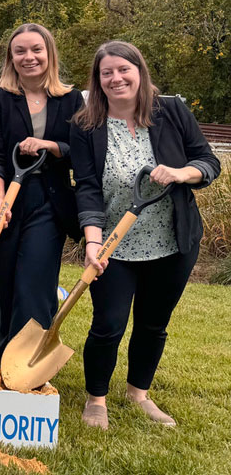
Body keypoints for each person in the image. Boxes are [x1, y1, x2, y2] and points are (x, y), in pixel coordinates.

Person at [70, 41, 219, 429]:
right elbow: (86, 186)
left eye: (124, 69)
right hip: (114, 245)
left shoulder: (170, 110)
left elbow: (207, 161)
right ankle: (96, 400)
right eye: (107, 73)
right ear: (98, 80)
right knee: (108, 324)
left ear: (139, 71)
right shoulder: (86, 125)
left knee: (153, 323)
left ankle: (139, 394)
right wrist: (91, 241)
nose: (116, 78)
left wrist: (181, 172)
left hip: (172, 241)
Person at [0, 22, 83, 368]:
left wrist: (49, 145)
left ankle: (19, 368)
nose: (29, 57)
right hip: (5, 201)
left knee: (35, 285)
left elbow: (79, 150)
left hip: (48, 203)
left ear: (49, 54)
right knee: (6, 286)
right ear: (11, 57)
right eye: (20, 51)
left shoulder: (70, 99)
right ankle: (11, 357)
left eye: (36, 49)